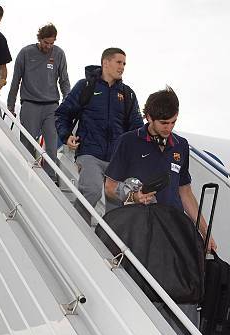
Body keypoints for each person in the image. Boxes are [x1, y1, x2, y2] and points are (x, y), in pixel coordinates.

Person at [104, 86, 217, 252]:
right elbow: (110, 187)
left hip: (172, 227)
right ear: (149, 117)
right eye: (164, 123)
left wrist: (205, 232)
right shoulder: (128, 141)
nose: (169, 128)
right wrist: (135, 196)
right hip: (139, 226)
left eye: (173, 122)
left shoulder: (181, 145)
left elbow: (185, 192)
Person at [55, 48, 143, 221]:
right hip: (89, 153)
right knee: (92, 190)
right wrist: (66, 136)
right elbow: (62, 113)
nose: (122, 67)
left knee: (116, 208)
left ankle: (107, 246)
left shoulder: (127, 94)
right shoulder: (85, 86)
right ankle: (77, 226)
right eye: (119, 62)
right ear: (105, 63)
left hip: (117, 160)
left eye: (124, 63)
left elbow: (137, 129)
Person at [7, 23, 70, 183]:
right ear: (39, 39)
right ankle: (25, 174)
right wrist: (10, 104)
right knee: (27, 142)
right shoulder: (26, 52)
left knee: (51, 144)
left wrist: (68, 104)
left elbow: (64, 81)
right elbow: (16, 80)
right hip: (30, 104)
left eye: (52, 43)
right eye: (46, 42)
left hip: (51, 105)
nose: (48, 46)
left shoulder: (59, 54)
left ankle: (50, 178)